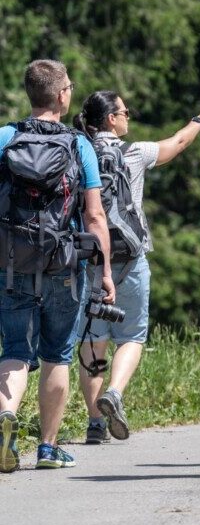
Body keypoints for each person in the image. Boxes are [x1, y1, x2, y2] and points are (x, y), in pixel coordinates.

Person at [74, 90, 200, 444]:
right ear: (111, 119)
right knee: (133, 335)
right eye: (125, 112)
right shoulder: (134, 153)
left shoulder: (76, 152)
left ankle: (95, 423)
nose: (129, 116)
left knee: (93, 342)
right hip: (131, 259)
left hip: (89, 259)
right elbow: (179, 143)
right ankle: (116, 392)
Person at [0, 59, 114, 473]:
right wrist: (103, 272)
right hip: (64, 267)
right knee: (57, 355)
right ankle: (48, 448)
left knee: (14, 350)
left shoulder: (5, 137)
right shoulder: (79, 144)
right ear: (63, 95)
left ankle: (5, 419)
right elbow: (96, 216)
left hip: (10, 262)